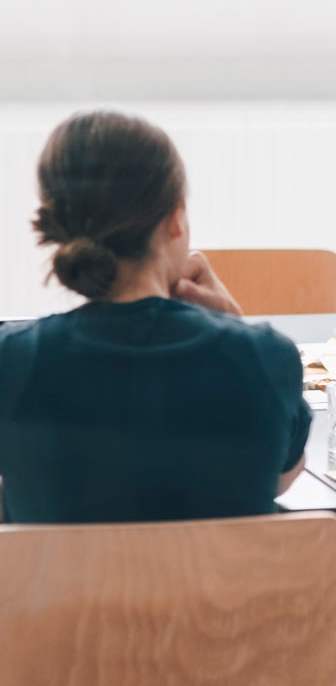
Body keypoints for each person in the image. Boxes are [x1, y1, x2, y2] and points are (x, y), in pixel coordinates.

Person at [0, 110, 311, 523]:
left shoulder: (13, 361)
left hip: (66, 590)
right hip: (220, 590)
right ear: (175, 219)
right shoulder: (264, 357)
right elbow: (278, 478)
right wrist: (237, 326)